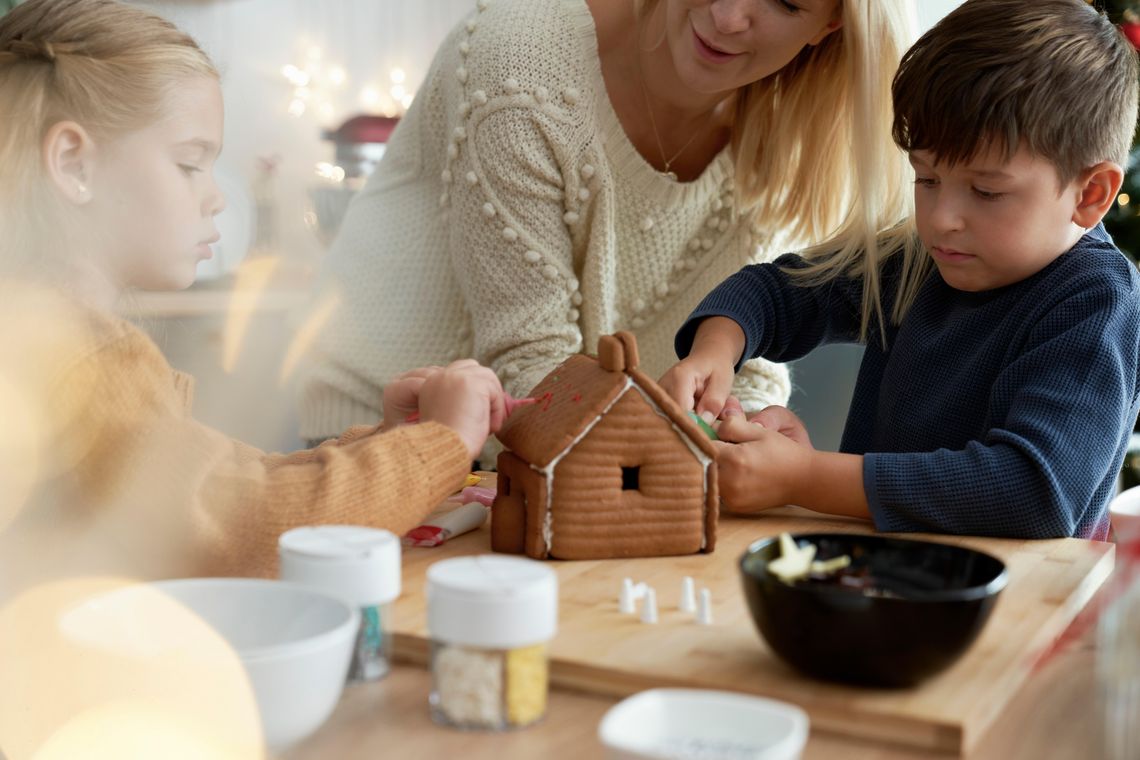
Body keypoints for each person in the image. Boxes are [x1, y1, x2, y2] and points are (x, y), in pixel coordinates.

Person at [0, 0, 507, 595]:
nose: (216, 198)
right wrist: (440, 445)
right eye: (190, 164)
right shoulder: (83, 357)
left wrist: (393, 443)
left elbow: (224, 485)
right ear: (71, 162)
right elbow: (251, 526)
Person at [296, 0, 915, 450]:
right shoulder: (520, 66)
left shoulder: (795, 128)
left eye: (784, 2)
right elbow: (529, 363)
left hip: (598, 456)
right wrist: (699, 442)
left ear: (830, 21)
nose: (729, 16)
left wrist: (749, 425)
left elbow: (738, 347)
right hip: (386, 441)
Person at [660, 0, 1140, 540]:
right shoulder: (921, 260)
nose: (942, 219)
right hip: (890, 579)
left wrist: (807, 478)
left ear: (1091, 194)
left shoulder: (1095, 302)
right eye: (926, 178)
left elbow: (1029, 491)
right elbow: (775, 292)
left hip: (1022, 609)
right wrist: (715, 353)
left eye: (986, 192)